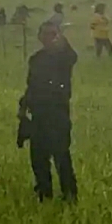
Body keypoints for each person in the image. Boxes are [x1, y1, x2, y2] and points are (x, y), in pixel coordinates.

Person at [20, 21, 78, 202]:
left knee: (61, 155)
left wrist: (63, 42)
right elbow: (31, 85)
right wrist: (23, 107)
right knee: (38, 157)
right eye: (45, 34)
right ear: (39, 36)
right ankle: (43, 193)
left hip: (58, 113)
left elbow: (71, 56)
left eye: (53, 34)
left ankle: (69, 194)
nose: (49, 38)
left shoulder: (64, 57)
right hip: (38, 114)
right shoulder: (36, 59)